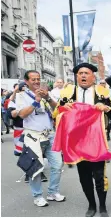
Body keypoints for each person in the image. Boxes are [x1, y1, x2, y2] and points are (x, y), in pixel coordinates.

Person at [53, 63, 111, 217]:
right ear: (76, 77)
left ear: (93, 76)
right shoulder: (67, 94)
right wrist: (63, 108)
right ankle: (91, 205)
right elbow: (56, 113)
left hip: (96, 141)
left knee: (99, 175)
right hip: (76, 143)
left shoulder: (102, 93)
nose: (83, 76)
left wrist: (106, 108)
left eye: (86, 73)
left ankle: (102, 206)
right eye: (80, 73)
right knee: (84, 176)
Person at [15, 70, 65, 207]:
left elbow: (58, 109)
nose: (36, 81)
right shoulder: (21, 96)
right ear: (26, 81)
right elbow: (23, 115)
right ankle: (37, 196)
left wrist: (47, 97)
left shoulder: (44, 94)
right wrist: (36, 101)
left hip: (49, 134)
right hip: (33, 135)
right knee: (35, 167)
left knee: (57, 164)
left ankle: (53, 192)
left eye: (38, 79)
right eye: (33, 79)